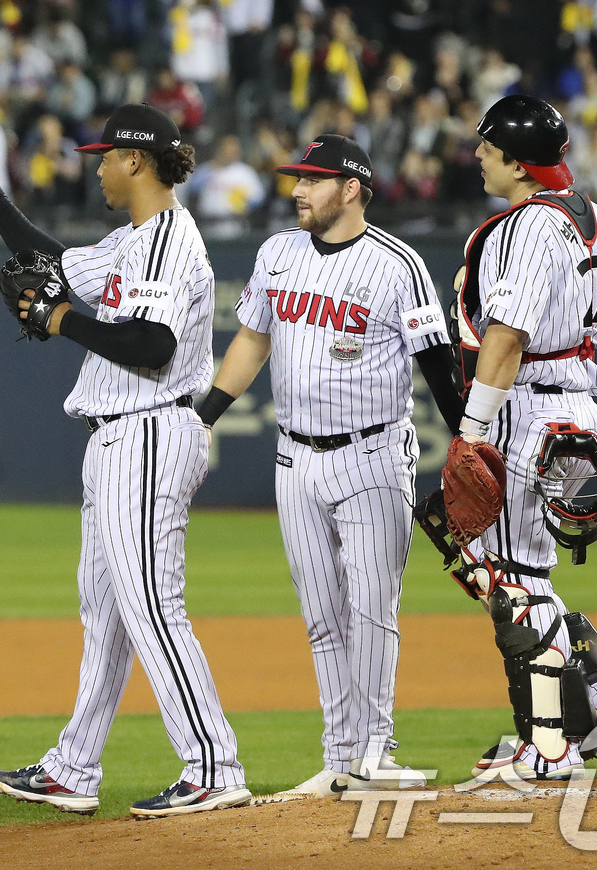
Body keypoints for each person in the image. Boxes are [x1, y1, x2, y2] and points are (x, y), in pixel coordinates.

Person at [0, 103, 252, 819]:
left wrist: (60, 321)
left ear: (136, 161)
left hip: (150, 431)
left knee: (153, 606)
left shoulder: (166, 240)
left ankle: (214, 765)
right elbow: (50, 265)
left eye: (105, 155)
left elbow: (153, 347)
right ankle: (73, 768)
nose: (96, 165)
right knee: (105, 614)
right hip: (118, 436)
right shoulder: (132, 241)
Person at [196, 134, 463, 798]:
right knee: (321, 614)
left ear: (351, 188)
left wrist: (468, 443)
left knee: (372, 608)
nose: (297, 190)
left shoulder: (396, 263)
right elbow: (251, 342)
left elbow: (437, 364)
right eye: (297, 179)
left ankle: (376, 750)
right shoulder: (278, 253)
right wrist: (200, 416)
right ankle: (341, 757)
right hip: (295, 458)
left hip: (372, 456)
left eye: (312, 180)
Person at [454, 95, 597, 782]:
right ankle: (590, 695)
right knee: (526, 573)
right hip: (579, 408)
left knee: (511, 580)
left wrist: (473, 432)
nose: (477, 156)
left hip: (525, 409)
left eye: (488, 147)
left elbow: (505, 338)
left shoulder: (523, 226)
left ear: (518, 164)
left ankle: (547, 748)